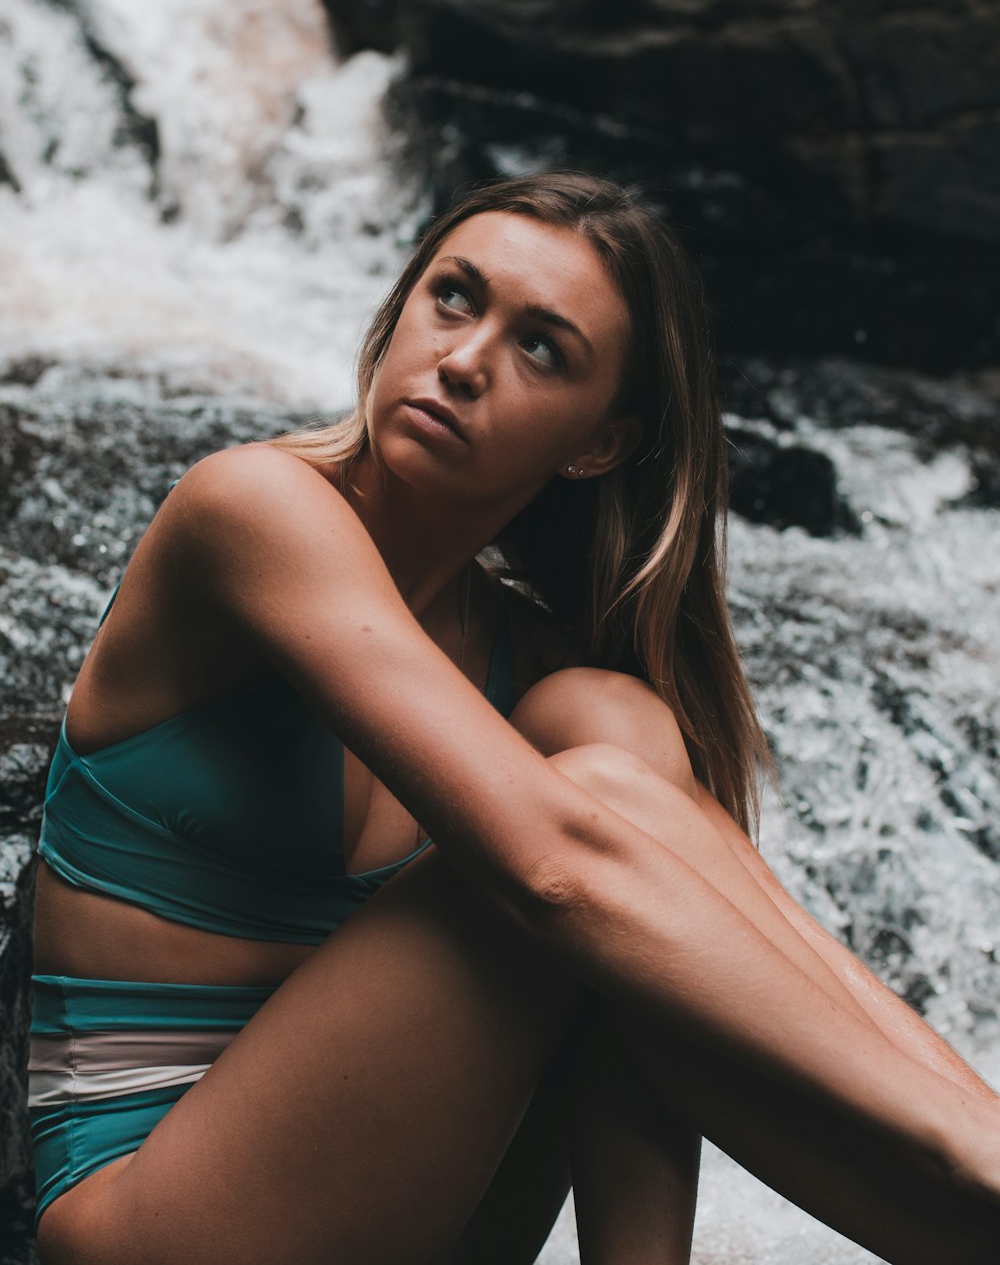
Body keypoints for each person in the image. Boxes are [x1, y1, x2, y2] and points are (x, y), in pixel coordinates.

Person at [29, 172, 1000, 1265]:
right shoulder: (251, 508)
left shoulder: (538, 666)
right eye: (453, 297)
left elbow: (642, 969)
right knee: (591, 821)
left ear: (597, 443)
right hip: (144, 1212)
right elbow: (555, 865)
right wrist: (958, 1143)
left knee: (613, 737)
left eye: (541, 347)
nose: (464, 358)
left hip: (405, 1189)